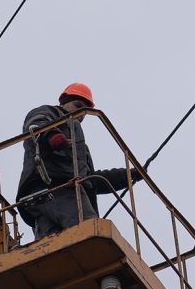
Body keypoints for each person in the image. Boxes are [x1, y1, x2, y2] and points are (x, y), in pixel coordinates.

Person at [16, 83, 139, 240]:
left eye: (84, 111)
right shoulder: (51, 112)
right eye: (78, 105)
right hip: (54, 187)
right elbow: (36, 123)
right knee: (88, 231)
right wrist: (52, 136)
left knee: (51, 244)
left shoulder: (80, 148)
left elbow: (90, 180)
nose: (81, 114)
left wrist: (129, 175)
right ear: (64, 102)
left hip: (42, 197)